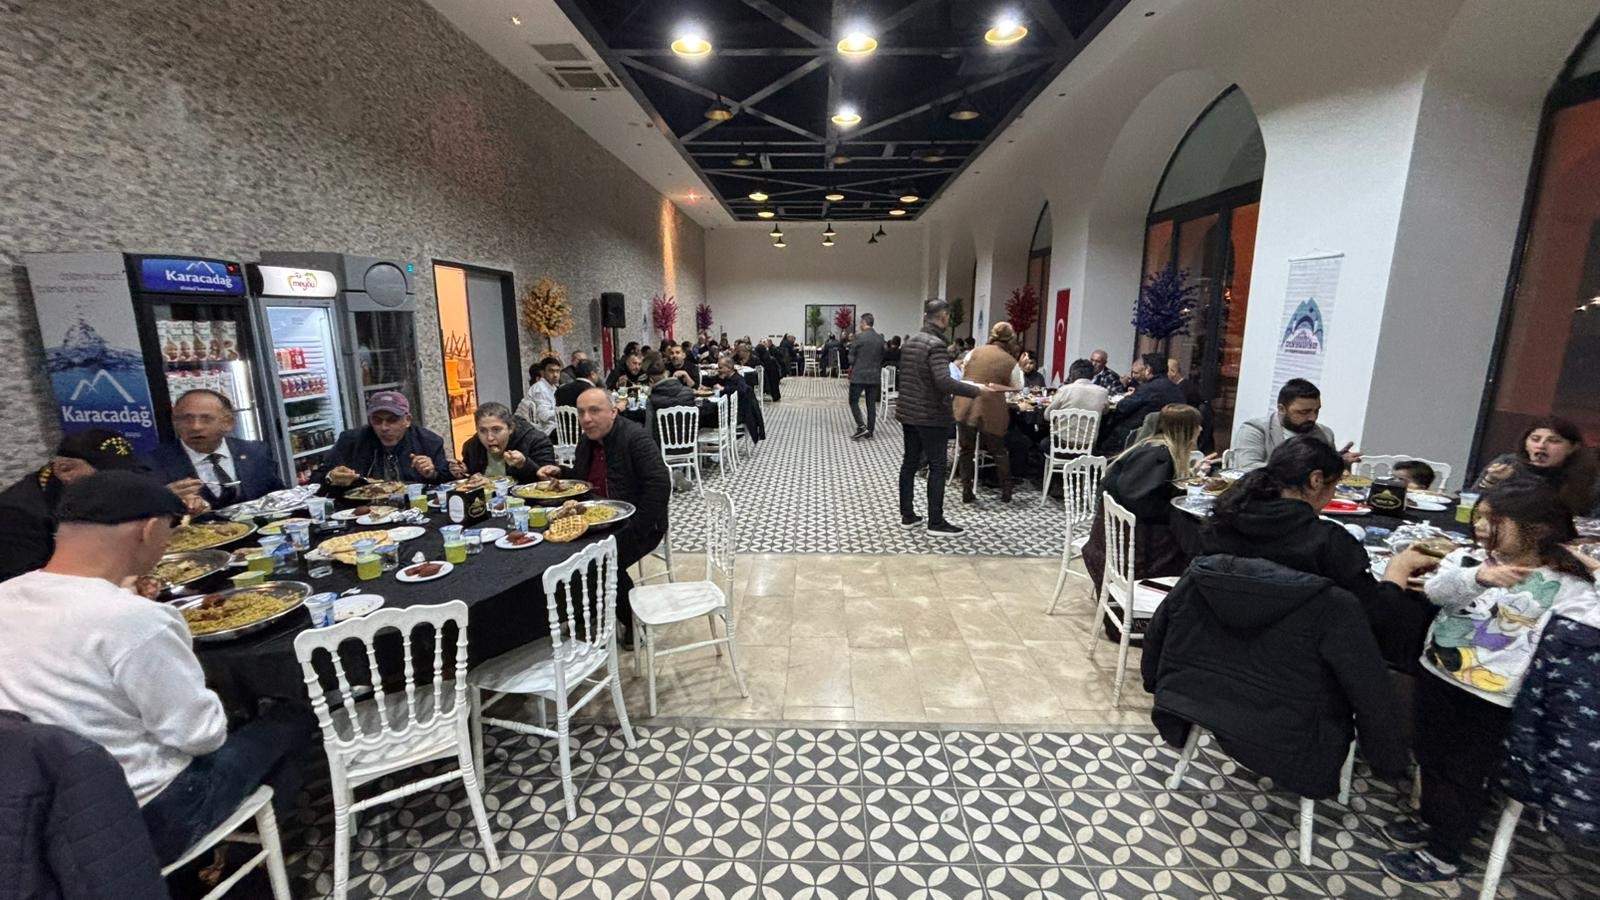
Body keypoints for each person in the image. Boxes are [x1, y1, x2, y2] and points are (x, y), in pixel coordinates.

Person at [0, 471, 312, 865]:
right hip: (145, 818)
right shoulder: (135, 620)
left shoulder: (8, 594)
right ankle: (243, 859)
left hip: (42, 820)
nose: (169, 543)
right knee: (292, 715)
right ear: (148, 530)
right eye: (169, 532)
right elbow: (202, 735)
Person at [1378, 480, 1599, 887]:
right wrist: (1479, 578)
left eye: (1494, 520)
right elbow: (1436, 592)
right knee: (1428, 756)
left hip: (1493, 698)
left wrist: (1592, 567)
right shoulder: (1470, 559)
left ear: (1538, 529)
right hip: (1437, 673)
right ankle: (1430, 819)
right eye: (1479, 516)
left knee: (1465, 775)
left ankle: (1444, 853)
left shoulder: (1567, 585)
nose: (1480, 526)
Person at [1199, 436, 1437, 666]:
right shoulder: (1326, 541)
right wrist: (1399, 568)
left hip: (1216, 649)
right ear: (1316, 480)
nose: (1333, 494)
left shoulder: (1223, 521)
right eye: (1335, 486)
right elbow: (1373, 619)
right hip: (1297, 662)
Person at [535, 387, 671, 649]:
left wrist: (636, 529)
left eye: (594, 411)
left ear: (613, 411)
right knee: (560, 554)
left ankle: (631, 621)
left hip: (638, 525)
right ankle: (586, 607)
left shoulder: (635, 439)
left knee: (603, 562)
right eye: (581, 412)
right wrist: (561, 473)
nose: (586, 419)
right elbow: (583, 479)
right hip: (599, 521)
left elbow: (659, 485)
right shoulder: (587, 441)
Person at [896, 298, 1009, 536]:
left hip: (909, 411)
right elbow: (943, 381)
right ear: (944, 317)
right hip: (930, 414)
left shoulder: (911, 342)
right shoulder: (936, 344)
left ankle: (907, 515)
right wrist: (976, 390)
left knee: (909, 462)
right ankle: (936, 522)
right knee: (937, 466)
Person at [0, 429, 162, 582]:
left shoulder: (87, 492)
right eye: (107, 478)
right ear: (65, 470)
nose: (120, 484)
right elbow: (30, 587)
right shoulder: (16, 515)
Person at [1083, 405, 1209, 598]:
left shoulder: (1151, 447)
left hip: (1112, 539)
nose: (1200, 429)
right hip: (1136, 549)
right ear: (1185, 429)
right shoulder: (1159, 456)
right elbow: (1142, 502)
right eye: (1197, 425)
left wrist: (1191, 474)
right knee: (1199, 544)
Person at [145, 389, 284, 508]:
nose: (195, 427)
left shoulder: (255, 452)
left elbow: (278, 497)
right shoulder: (153, 464)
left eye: (206, 419)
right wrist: (163, 500)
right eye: (187, 419)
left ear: (228, 423)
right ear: (175, 423)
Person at [954, 321, 1024, 503]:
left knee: (966, 449)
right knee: (998, 450)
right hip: (991, 406)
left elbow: (963, 372)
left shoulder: (974, 352)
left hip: (965, 402)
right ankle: (1006, 491)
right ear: (1010, 339)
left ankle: (967, 490)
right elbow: (1018, 385)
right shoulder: (1009, 361)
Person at [316, 391, 449, 486]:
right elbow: (316, 479)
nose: (384, 427)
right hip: (363, 509)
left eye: (392, 420)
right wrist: (330, 477)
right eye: (377, 420)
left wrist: (432, 474)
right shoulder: (351, 441)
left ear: (407, 420)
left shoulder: (429, 441)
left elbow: (448, 479)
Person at [1474, 417, 1597, 516]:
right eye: (1535, 439)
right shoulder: (1507, 464)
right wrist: (1490, 480)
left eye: (1554, 441)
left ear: (1572, 448)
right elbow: (1471, 504)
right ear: (1525, 444)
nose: (1541, 445)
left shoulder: (1589, 477)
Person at [1232, 378, 1360, 470]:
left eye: (1316, 410)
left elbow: (1329, 479)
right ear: (1282, 409)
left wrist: (1339, 463)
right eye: (1304, 412)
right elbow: (1247, 468)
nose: (1313, 418)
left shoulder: (1324, 434)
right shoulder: (1255, 429)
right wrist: (1303, 470)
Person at [451, 402, 556, 484]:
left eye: (496, 430)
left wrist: (523, 465)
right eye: (482, 431)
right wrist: (463, 473)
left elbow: (548, 481)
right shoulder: (472, 446)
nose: (490, 438)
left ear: (510, 428)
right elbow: (472, 477)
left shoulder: (537, 441)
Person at [1103, 352, 1187, 452]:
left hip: (1138, 436)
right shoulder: (1176, 388)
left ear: (1148, 370)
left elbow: (1122, 407)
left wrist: (1126, 397)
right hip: (1169, 437)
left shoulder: (1148, 388)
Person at [848, 313, 887, 440]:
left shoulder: (858, 338)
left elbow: (851, 358)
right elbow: (883, 356)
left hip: (859, 375)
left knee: (853, 401)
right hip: (874, 376)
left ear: (864, 323)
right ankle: (870, 430)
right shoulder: (880, 339)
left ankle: (861, 426)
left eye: (860, 323)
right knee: (871, 404)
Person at [716, 354, 765, 443]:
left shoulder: (738, 379)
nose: (718, 370)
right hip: (731, 411)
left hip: (737, 414)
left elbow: (742, 389)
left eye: (720, 368)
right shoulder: (727, 378)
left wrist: (724, 389)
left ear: (729, 368)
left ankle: (714, 442)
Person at [644, 358, 696, 438]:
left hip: (661, 443)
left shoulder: (652, 400)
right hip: (688, 439)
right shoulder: (688, 392)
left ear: (651, 380)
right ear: (666, 373)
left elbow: (649, 428)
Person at [514, 356, 562, 437]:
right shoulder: (540, 388)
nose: (555, 375)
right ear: (542, 373)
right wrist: (563, 413)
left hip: (543, 428)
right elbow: (544, 415)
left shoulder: (552, 387)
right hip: (534, 430)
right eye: (551, 371)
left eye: (558, 371)